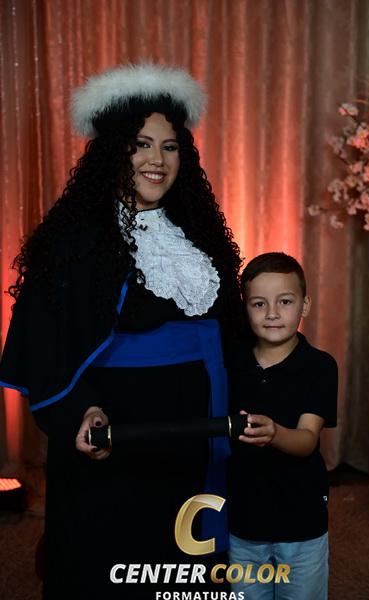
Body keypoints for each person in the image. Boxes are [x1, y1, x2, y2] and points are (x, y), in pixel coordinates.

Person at [0, 62, 242, 599]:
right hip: (119, 424)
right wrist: (80, 410)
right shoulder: (75, 239)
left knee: (184, 557)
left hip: (196, 422)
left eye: (170, 147)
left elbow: (226, 328)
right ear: (114, 152)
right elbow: (48, 344)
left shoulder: (198, 231)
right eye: (141, 145)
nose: (157, 159)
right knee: (113, 557)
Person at [227, 252, 337, 600]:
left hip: (301, 520)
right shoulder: (230, 362)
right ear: (245, 308)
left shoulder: (320, 367)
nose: (272, 313)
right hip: (243, 520)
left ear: (305, 305)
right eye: (259, 304)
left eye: (285, 301)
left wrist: (275, 433)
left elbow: (307, 440)